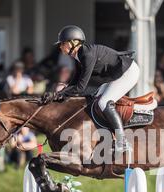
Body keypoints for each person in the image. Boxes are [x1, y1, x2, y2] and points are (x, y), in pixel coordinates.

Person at [53, 25, 139, 153]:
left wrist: (58, 95)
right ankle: (108, 139)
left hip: (128, 72)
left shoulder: (87, 55)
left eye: (63, 43)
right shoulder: (79, 57)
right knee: (95, 99)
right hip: (117, 74)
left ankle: (122, 142)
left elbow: (80, 87)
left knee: (104, 102)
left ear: (73, 42)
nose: (60, 47)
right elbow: (74, 83)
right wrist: (59, 95)